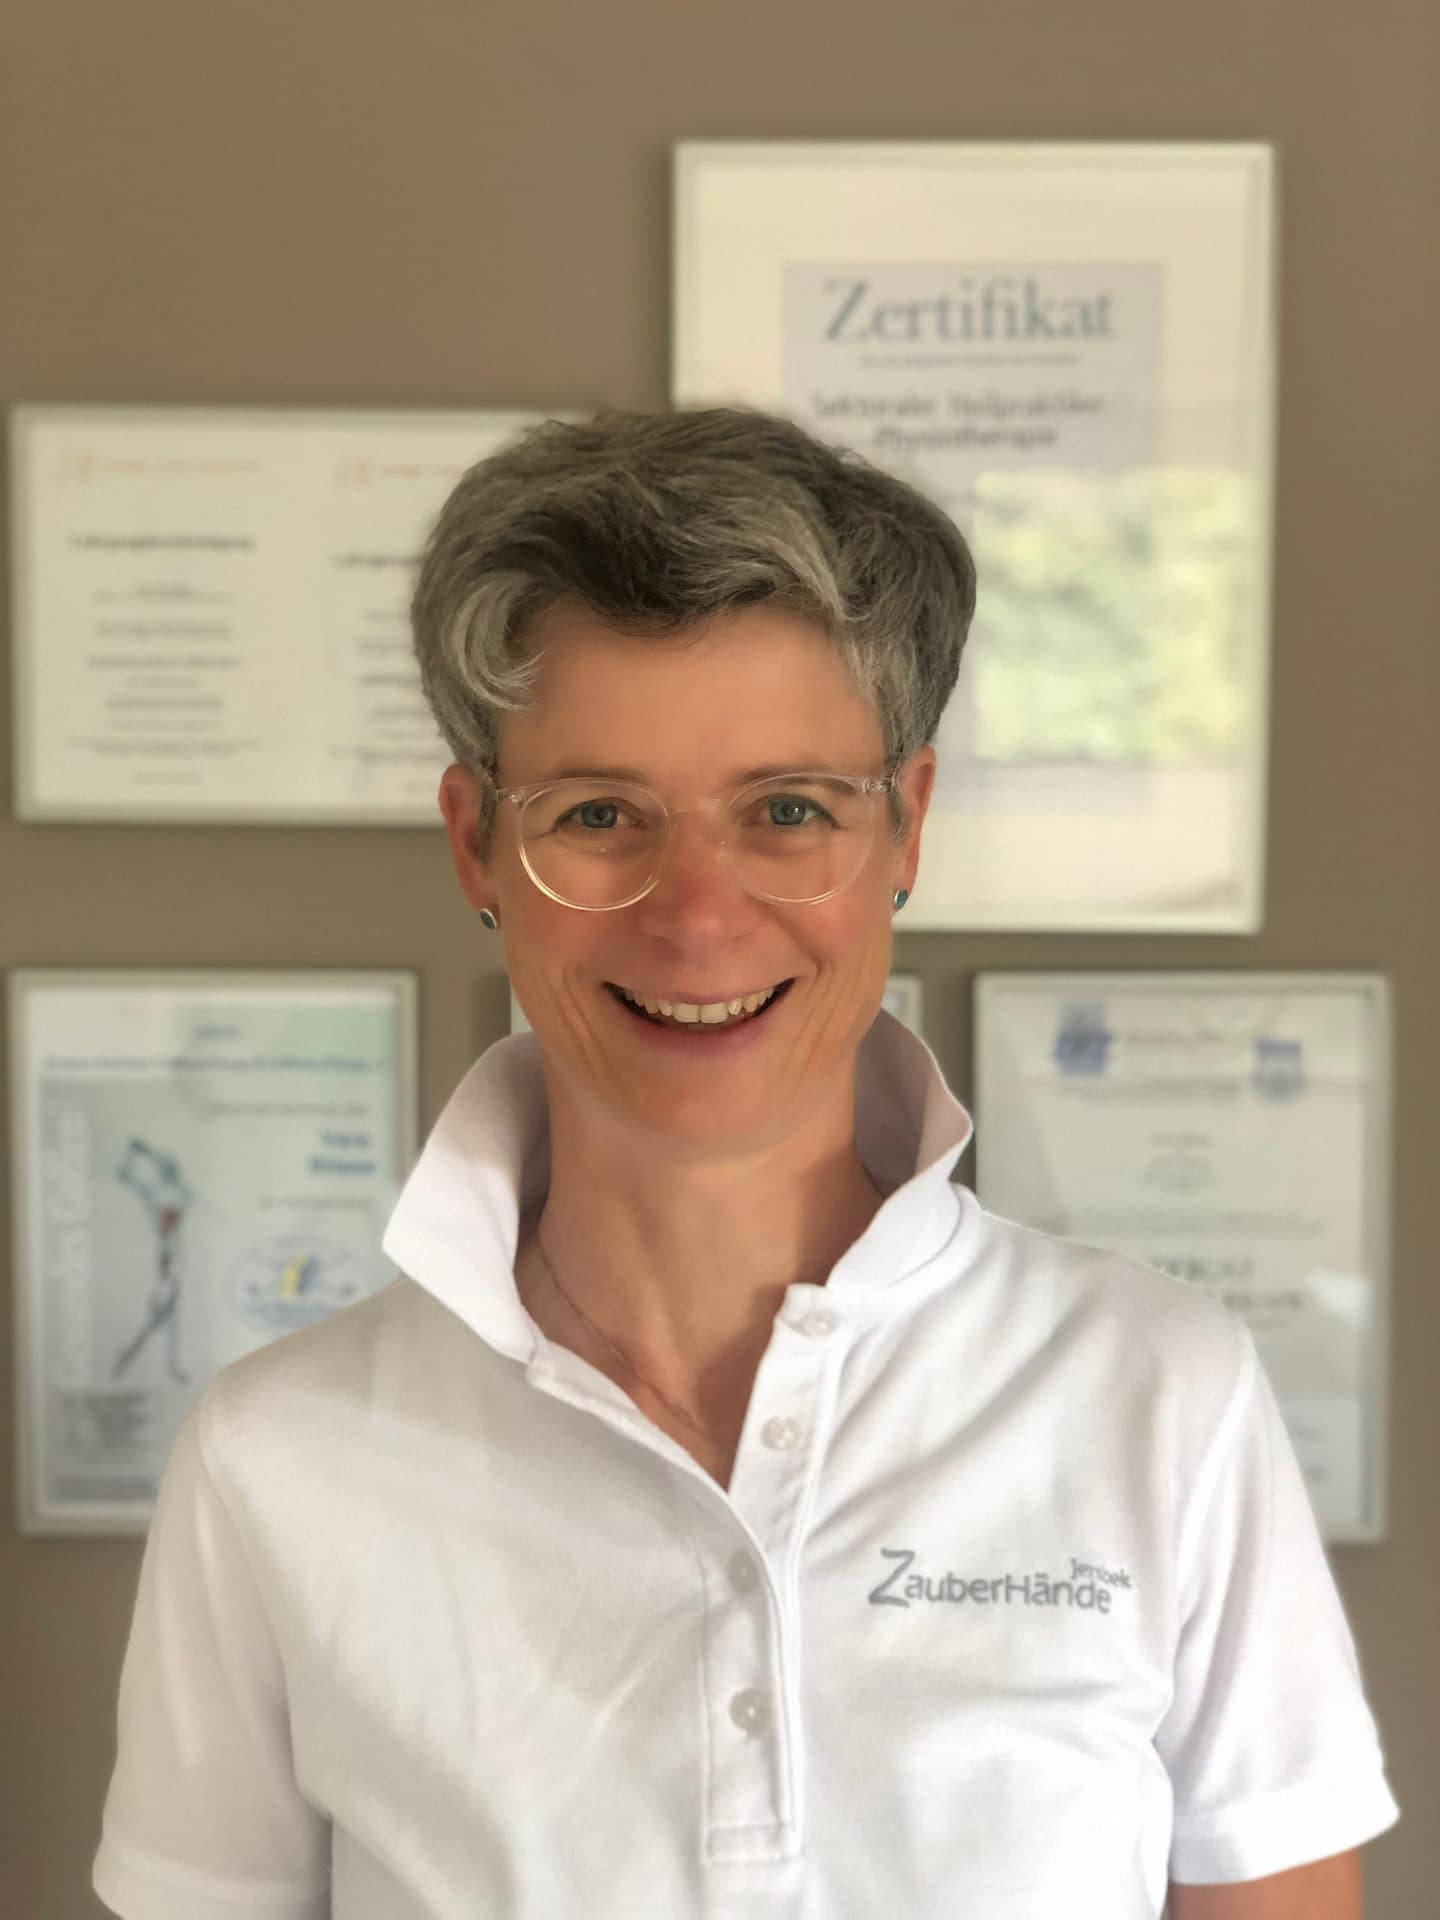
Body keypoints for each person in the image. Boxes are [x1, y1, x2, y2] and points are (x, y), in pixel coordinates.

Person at [94, 409, 1398, 1920]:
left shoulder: (1156, 1394)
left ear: (906, 827)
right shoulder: (278, 1459)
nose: (698, 914)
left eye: (789, 811)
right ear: (475, 845)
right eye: (599, 814)